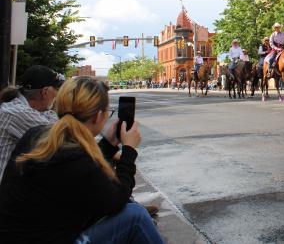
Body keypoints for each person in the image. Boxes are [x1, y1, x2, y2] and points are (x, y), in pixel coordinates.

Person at [0, 76, 163, 243]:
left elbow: (85, 174)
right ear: (98, 116)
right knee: (135, 216)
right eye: (108, 112)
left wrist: (108, 144)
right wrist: (129, 150)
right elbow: (116, 199)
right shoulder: (74, 157)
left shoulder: (36, 134)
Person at [0, 65, 64, 177]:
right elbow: (61, 136)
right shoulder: (18, 113)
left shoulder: (17, 106)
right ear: (45, 92)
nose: (57, 95)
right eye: (56, 90)